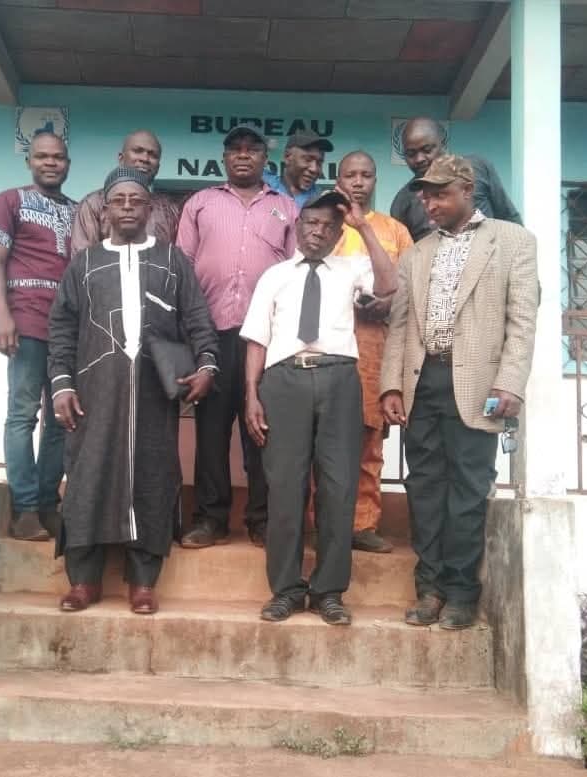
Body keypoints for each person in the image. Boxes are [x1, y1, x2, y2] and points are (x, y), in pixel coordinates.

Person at [49, 167, 219, 615]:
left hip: (152, 394)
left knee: (152, 473)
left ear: (150, 209)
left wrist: (206, 364)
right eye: (118, 200)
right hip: (93, 391)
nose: (127, 207)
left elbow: (198, 317)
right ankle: (83, 580)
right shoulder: (83, 264)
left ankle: (143, 581)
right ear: (104, 209)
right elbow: (62, 328)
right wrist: (62, 384)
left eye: (136, 201)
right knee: (88, 475)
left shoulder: (171, 260)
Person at [380, 155, 538, 630]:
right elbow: (401, 323)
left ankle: (462, 593)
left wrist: (510, 382)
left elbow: (523, 319)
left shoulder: (513, 242)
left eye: (440, 194)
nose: (429, 203)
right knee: (424, 488)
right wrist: (391, 384)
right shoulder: (417, 252)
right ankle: (428, 589)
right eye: (425, 195)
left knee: (468, 491)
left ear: (468, 190)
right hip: (422, 383)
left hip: (480, 386)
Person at [242, 190, 398, 625]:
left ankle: (329, 591)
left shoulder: (352, 270)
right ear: (297, 227)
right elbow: (257, 339)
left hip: (338, 380)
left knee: (338, 485)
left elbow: (389, 286)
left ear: (337, 233)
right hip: (284, 381)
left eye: (328, 226)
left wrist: (363, 226)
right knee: (286, 487)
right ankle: (286, 589)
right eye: (311, 224)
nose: (318, 231)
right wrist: (252, 395)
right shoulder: (273, 276)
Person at [177, 123, 299, 549]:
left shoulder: (286, 208)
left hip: (266, 336)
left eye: (253, 149)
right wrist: (188, 332)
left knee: (262, 428)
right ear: (225, 158)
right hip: (210, 331)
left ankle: (262, 518)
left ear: (267, 160)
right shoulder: (200, 203)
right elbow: (182, 268)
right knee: (211, 428)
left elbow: (299, 272)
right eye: (235, 150)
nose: (243, 155)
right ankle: (210, 518)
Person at [0, 130, 76, 541]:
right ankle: (24, 510)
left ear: (67, 163)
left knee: (62, 420)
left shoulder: (77, 210)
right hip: (25, 320)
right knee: (22, 415)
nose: (50, 163)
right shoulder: (9, 202)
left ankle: (48, 504)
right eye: (42, 156)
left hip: (67, 328)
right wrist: (2, 315)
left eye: (57, 157)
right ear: (29, 162)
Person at [334, 151, 413, 554]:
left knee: (369, 441)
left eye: (366, 175)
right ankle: (322, 522)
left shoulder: (394, 231)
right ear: (338, 179)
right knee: (324, 439)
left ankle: (363, 525)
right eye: (351, 175)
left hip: (373, 348)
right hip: (329, 345)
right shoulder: (324, 224)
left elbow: (408, 289)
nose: (359, 182)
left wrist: (387, 303)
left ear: (376, 179)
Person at [390, 117, 522, 242]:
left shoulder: (477, 168)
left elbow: (509, 218)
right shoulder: (402, 202)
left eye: (427, 150)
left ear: (443, 144)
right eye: (411, 154)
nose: (420, 159)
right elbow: (404, 251)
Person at [71, 130, 179, 254]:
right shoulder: (93, 204)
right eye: (138, 151)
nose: (145, 158)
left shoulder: (169, 210)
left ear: (158, 167)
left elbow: (175, 261)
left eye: (152, 155)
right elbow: (82, 261)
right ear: (121, 159)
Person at [263, 130, 333, 207]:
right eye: (308, 160)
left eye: (319, 163)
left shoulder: (321, 200)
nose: (314, 169)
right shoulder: (263, 183)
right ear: (287, 156)